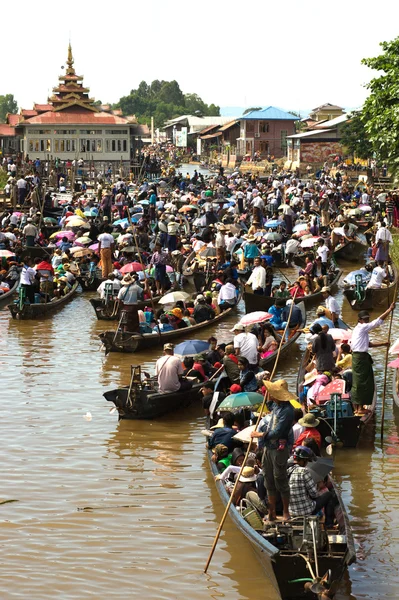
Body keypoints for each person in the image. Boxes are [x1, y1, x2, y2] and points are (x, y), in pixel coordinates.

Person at [251, 379, 296, 522]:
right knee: (268, 480)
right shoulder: (276, 406)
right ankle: (271, 513)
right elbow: (268, 404)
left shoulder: (288, 411)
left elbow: (277, 432)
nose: (271, 395)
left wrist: (259, 435)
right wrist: (266, 393)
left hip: (279, 449)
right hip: (268, 448)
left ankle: (286, 512)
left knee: (280, 479)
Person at [351, 304, 395, 412]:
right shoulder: (362, 327)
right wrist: (389, 310)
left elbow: (368, 344)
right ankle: (360, 408)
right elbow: (377, 322)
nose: (367, 320)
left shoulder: (359, 330)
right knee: (362, 381)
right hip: (360, 358)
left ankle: (358, 407)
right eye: (365, 319)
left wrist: (383, 344)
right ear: (360, 320)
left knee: (361, 381)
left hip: (359, 357)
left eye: (367, 319)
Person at [287, 446, 336, 527]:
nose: (307, 464)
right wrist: (318, 487)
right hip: (306, 511)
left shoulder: (288, 471)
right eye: (306, 461)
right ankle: (329, 524)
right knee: (329, 495)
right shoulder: (304, 471)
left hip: (292, 511)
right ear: (303, 460)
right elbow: (314, 494)